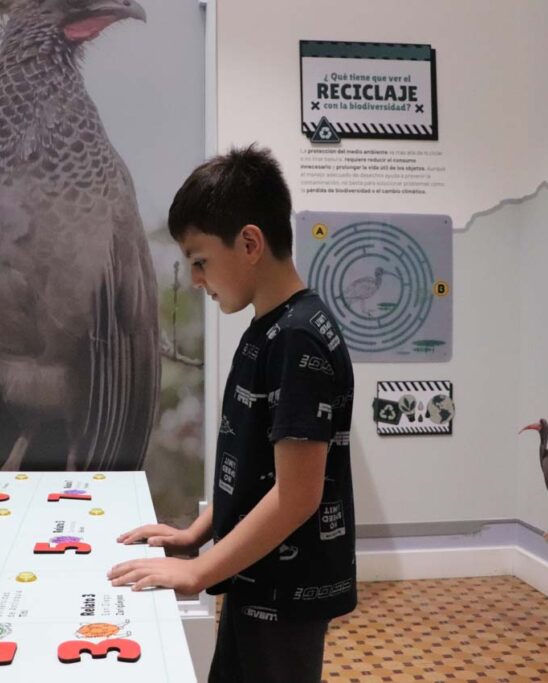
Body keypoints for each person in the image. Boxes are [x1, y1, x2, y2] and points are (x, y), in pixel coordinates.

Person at [107, 145, 356, 683]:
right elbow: (253, 468)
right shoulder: (268, 328)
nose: (196, 279)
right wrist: (197, 532)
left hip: (285, 593)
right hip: (251, 577)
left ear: (249, 243)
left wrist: (198, 572)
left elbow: (296, 495)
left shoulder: (297, 337)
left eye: (200, 261)